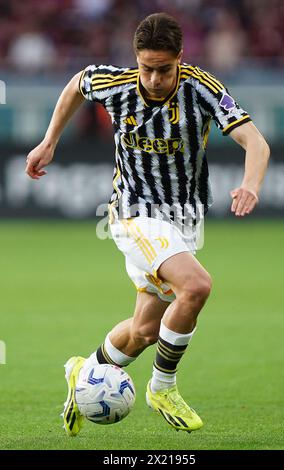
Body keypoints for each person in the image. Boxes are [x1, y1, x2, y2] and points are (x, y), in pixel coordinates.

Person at [25, 12, 270, 435]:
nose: (154, 79)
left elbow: (255, 141)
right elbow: (77, 83)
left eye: (164, 69)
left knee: (145, 331)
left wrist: (250, 184)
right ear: (135, 59)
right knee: (196, 287)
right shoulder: (116, 83)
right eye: (146, 68)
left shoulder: (202, 88)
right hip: (133, 214)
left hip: (184, 221)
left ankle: (84, 374)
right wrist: (50, 140)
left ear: (180, 58)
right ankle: (163, 386)